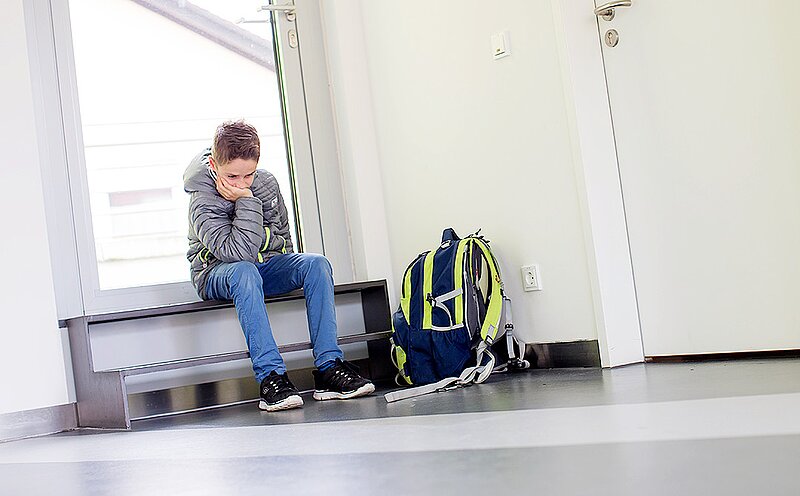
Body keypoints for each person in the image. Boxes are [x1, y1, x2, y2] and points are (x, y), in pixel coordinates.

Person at [183, 120, 374, 412]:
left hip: (263, 267)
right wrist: (246, 201)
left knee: (316, 264)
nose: (241, 183)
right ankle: (271, 376)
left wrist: (278, 261)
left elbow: (283, 240)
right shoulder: (202, 199)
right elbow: (237, 253)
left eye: (248, 175)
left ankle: (329, 367)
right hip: (215, 273)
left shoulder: (267, 183)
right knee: (245, 271)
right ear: (213, 164)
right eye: (232, 176)